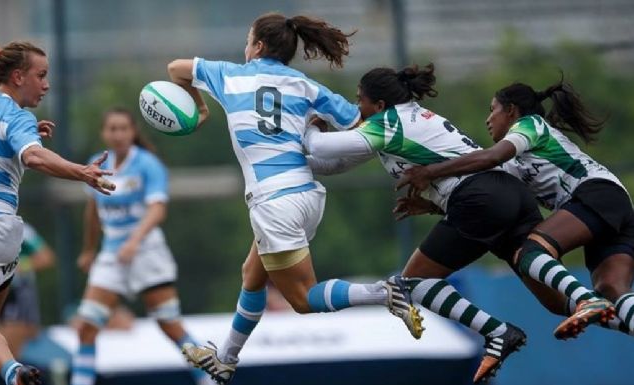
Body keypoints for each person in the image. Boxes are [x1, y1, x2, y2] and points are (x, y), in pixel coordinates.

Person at [303, 63, 612, 383]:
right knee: (557, 302)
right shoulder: (401, 121)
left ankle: (497, 332)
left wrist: (311, 125)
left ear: (379, 105)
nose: (356, 108)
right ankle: (616, 312)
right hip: (507, 194)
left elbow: (322, 148)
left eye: (359, 100)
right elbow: (332, 163)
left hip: (480, 199)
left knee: (411, 285)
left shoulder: (387, 123)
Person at [167, 12, 422, 385]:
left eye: (247, 39)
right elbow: (358, 125)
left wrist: (201, 106)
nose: (245, 46)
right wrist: (315, 126)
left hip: (274, 203)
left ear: (257, 46)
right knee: (251, 276)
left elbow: (175, 68)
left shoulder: (229, 74)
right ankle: (225, 360)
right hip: (306, 195)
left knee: (303, 300)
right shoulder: (305, 85)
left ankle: (385, 293)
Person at [396, 77, 631, 338]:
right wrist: (432, 206)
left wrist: (430, 171)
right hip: (615, 204)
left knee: (529, 252)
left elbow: (491, 156)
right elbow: (489, 198)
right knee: (612, 289)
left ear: (510, 110)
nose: (488, 119)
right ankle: (603, 306)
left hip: (596, 194)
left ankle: (587, 300)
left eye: (492, 109)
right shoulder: (512, 164)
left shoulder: (530, 125)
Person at [0, 40, 114, 385]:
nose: (47, 84)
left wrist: (24, 140)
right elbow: (33, 157)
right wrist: (81, 171)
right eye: (41, 76)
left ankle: (12, 372)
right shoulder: (18, 116)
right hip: (0, 233)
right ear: (18, 76)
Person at [71, 107, 215, 385]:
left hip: (147, 252)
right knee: (86, 326)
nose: (118, 134)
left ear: (133, 131)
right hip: (112, 255)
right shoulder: (97, 163)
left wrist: (134, 241)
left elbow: (157, 210)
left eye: (123, 128)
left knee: (170, 326)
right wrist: (89, 249)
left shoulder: (148, 164)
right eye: (112, 128)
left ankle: (210, 378)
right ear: (104, 133)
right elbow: (92, 211)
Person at [0, 223, 55, 360]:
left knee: (12, 346)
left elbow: (46, 257)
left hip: (17, 291)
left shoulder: (21, 229)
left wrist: (18, 267)